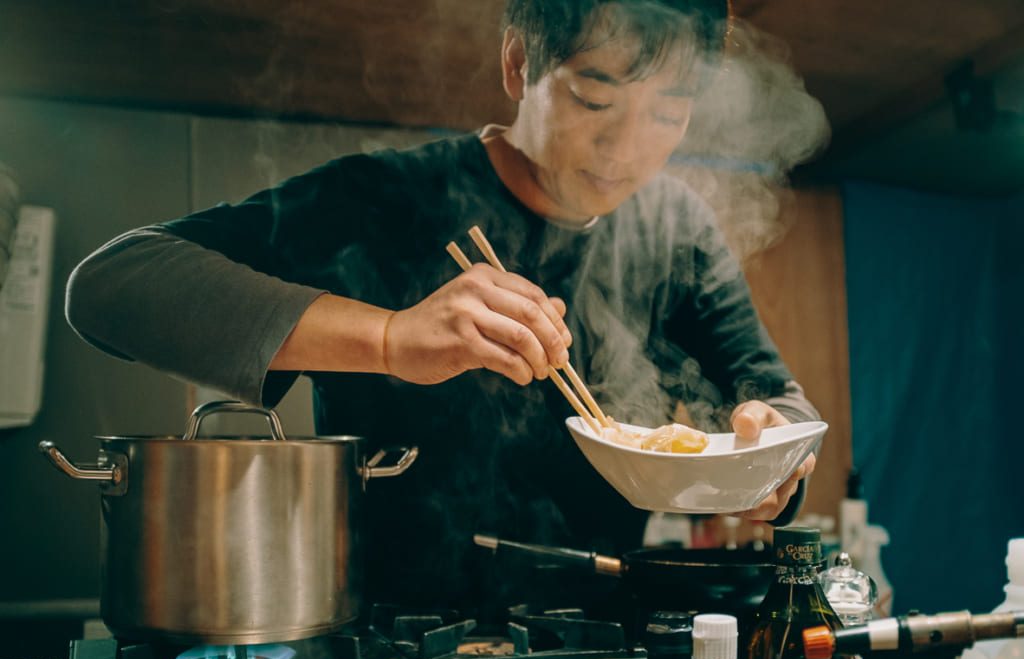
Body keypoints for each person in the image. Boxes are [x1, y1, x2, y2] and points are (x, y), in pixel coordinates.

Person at [66, 0, 819, 620]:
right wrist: (389, 338)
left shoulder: (679, 230)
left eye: (669, 113)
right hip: (383, 641)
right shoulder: (386, 200)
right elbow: (111, 283)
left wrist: (775, 459)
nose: (625, 149)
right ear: (518, 62)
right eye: (594, 99)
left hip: (602, 638)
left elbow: (775, 400)